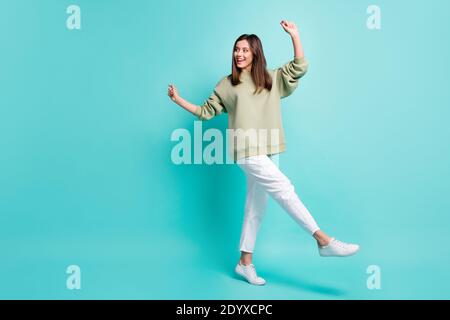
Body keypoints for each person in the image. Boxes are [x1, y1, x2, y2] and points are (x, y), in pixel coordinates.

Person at [168, 20, 359, 286]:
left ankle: (244, 263)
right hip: (245, 151)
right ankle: (323, 240)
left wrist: (295, 35)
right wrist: (178, 100)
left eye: (245, 50)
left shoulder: (270, 79)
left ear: (255, 53)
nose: (239, 54)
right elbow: (205, 112)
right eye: (236, 49)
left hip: (265, 150)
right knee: (284, 188)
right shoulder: (226, 84)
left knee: (256, 207)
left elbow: (299, 67)